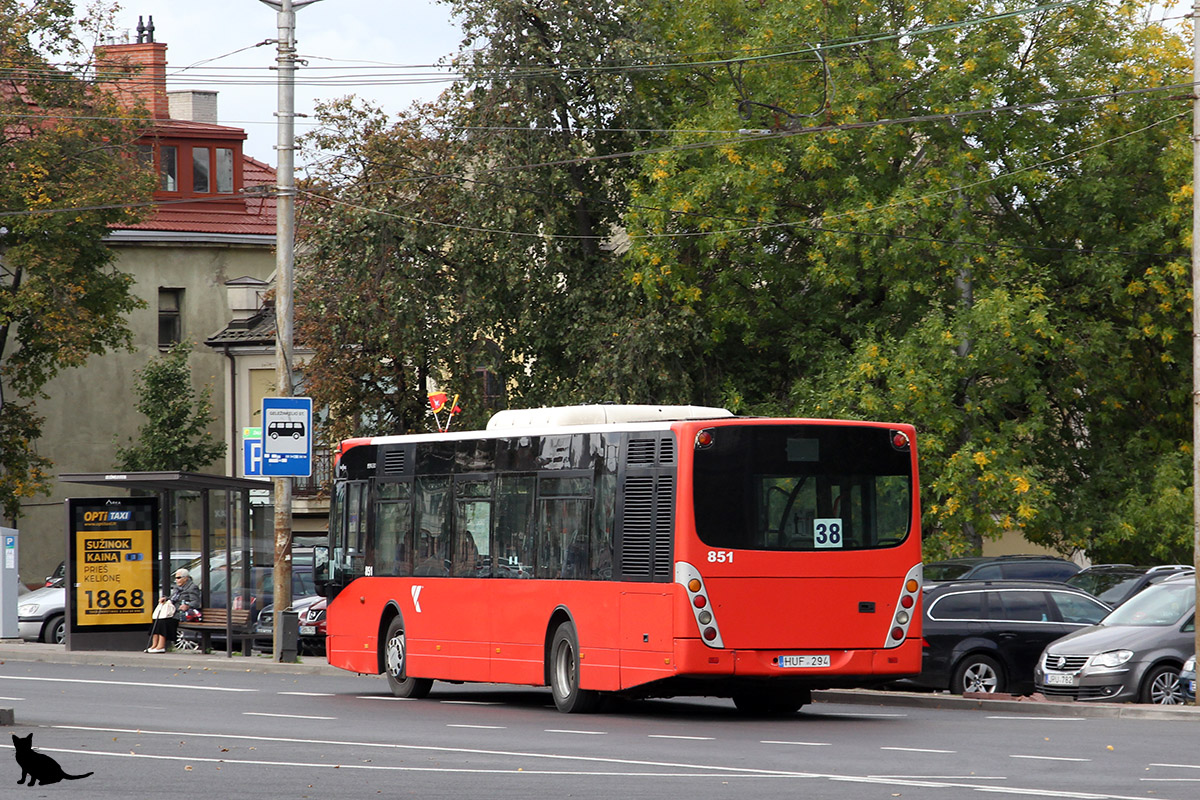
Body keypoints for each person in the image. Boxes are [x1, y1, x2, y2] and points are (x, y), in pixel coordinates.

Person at [146, 568, 201, 653]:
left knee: (164, 621)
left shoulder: (192, 587)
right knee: (158, 620)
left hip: (181, 613)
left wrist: (187, 605)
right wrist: (165, 598)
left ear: (186, 578)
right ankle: (154, 645)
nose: (176, 580)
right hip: (172, 611)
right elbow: (172, 598)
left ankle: (161, 646)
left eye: (179, 578)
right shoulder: (177, 588)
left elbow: (196, 602)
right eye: (176, 578)